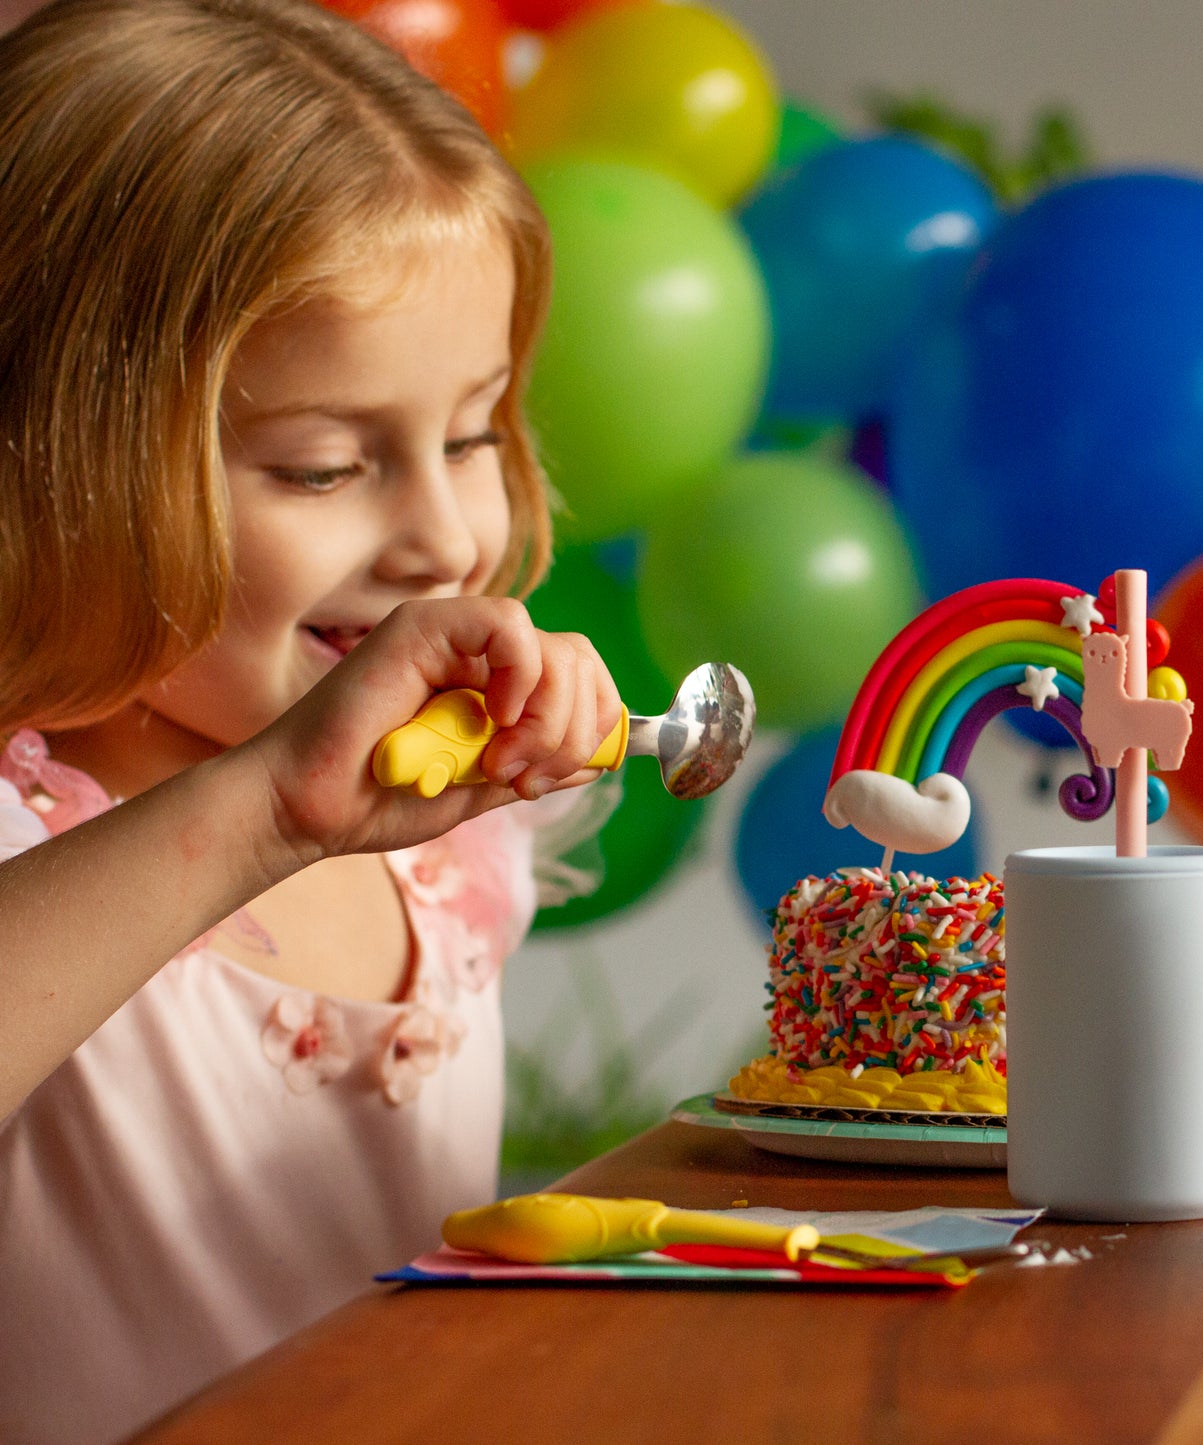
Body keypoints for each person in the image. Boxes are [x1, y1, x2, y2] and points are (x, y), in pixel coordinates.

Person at [0, 2, 626, 1441]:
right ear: (50, 465)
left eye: (470, 435)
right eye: (322, 466)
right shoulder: (31, 838)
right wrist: (266, 810)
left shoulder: (444, 848)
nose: (444, 538)